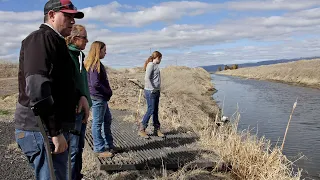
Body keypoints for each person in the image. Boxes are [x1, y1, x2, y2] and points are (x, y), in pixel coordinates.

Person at [14, 0, 86, 179]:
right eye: (67, 16)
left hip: (50, 129)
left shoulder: (56, 41)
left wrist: (80, 96)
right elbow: (38, 90)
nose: (72, 21)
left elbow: (60, 83)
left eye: (73, 17)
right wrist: (55, 132)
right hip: (41, 129)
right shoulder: (40, 39)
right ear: (52, 15)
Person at [65, 24, 91, 180]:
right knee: (73, 149)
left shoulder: (79, 56)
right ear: (75, 39)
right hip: (74, 110)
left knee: (79, 147)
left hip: (82, 110)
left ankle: (76, 175)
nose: (87, 41)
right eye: (85, 38)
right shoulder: (67, 56)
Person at [84, 41, 115, 158]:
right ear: (98, 51)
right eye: (104, 50)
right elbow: (95, 83)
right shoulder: (94, 64)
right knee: (97, 123)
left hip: (101, 98)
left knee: (107, 120)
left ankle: (108, 144)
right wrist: (107, 91)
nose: (106, 52)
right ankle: (99, 149)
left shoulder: (96, 64)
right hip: (98, 98)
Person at [139, 51, 165, 139]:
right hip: (151, 91)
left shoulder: (155, 66)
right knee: (151, 109)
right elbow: (146, 78)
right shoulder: (150, 65)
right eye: (160, 58)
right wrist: (152, 88)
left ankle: (156, 129)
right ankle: (142, 129)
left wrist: (157, 89)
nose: (161, 60)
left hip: (156, 91)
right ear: (157, 57)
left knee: (155, 111)